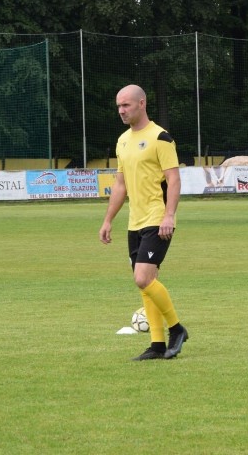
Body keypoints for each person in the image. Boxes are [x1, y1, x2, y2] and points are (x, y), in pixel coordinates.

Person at [99, 84, 189, 360]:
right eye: (118, 106)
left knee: (143, 278)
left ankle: (177, 330)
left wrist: (169, 215)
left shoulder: (160, 137)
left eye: (126, 105)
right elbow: (120, 184)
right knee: (146, 283)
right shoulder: (123, 141)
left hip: (156, 218)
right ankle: (157, 344)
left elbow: (173, 178)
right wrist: (108, 220)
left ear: (142, 104)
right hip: (134, 222)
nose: (121, 111)